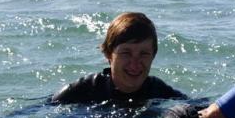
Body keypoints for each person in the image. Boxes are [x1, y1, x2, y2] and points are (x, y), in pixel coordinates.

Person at [51, 12, 186, 105]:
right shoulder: (79, 92)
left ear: (153, 56)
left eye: (143, 54)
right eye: (126, 53)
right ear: (109, 54)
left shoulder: (159, 92)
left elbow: (199, 110)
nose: (135, 64)